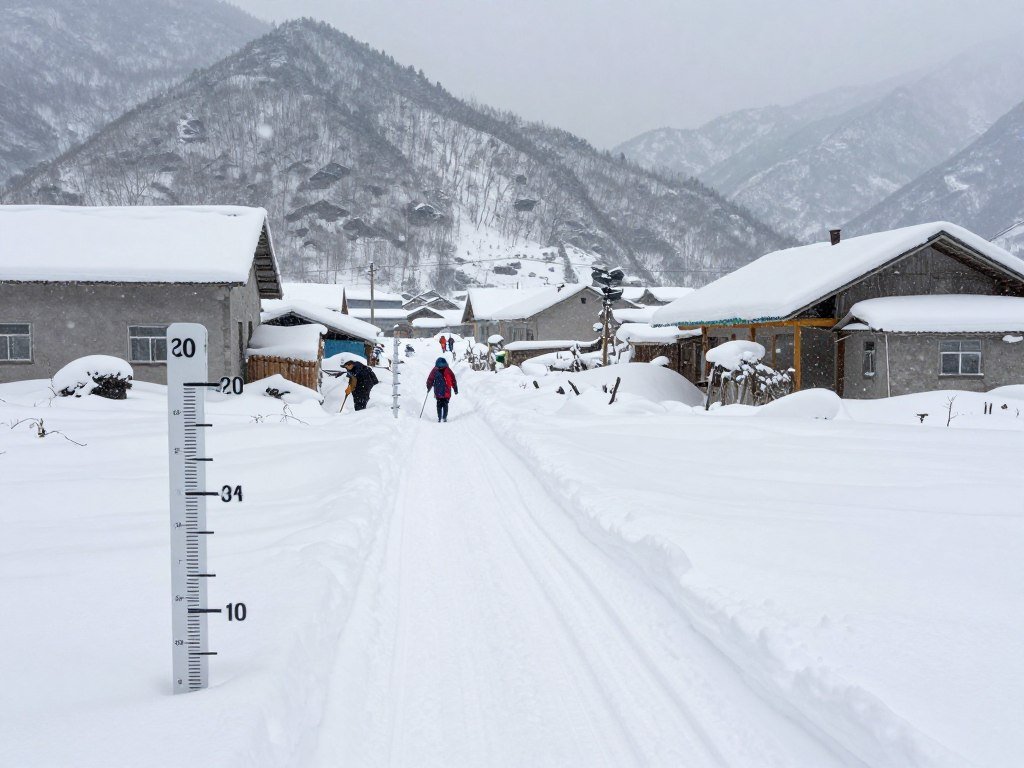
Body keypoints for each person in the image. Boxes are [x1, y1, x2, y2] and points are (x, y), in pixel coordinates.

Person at [426, 357, 458, 422]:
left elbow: (430, 379)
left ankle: (441, 417)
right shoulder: (447, 370)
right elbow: (453, 379)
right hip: (445, 391)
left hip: (440, 391)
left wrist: (429, 387)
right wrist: (455, 388)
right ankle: (443, 417)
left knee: (440, 404)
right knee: (444, 404)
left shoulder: (435, 370)